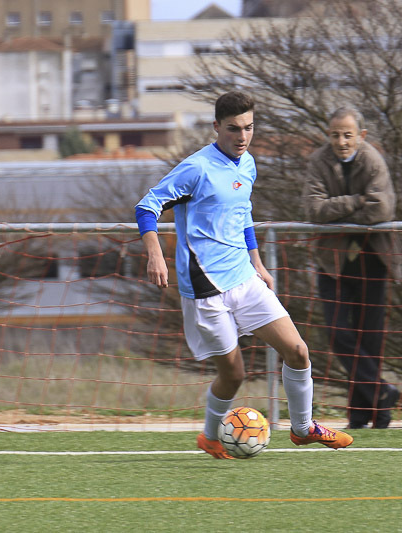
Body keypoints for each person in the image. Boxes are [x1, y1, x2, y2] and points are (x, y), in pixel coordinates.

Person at [135, 91, 353, 458]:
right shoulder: (197, 168)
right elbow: (147, 206)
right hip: (206, 289)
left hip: (244, 279)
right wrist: (156, 255)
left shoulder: (248, 164)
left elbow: (243, 215)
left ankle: (303, 429)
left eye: (249, 128)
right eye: (234, 128)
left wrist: (257, 263)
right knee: (234, 374)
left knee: (298, 351)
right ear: (216, 127)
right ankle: (209, 436)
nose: (242, 136)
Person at [303, 106, 401, 429]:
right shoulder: (318, 161)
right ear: (327, 135)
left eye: (348, 135)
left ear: (362, 135)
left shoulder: (373, 160)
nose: (341, 141)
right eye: (335, 135)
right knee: (337, 332)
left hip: (373, 257)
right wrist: (356, 200)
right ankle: (382, 392)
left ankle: (368, 415)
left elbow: (381, 209)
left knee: (370, 336)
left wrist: (340, 214)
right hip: (331, 260)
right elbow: (314, 209)